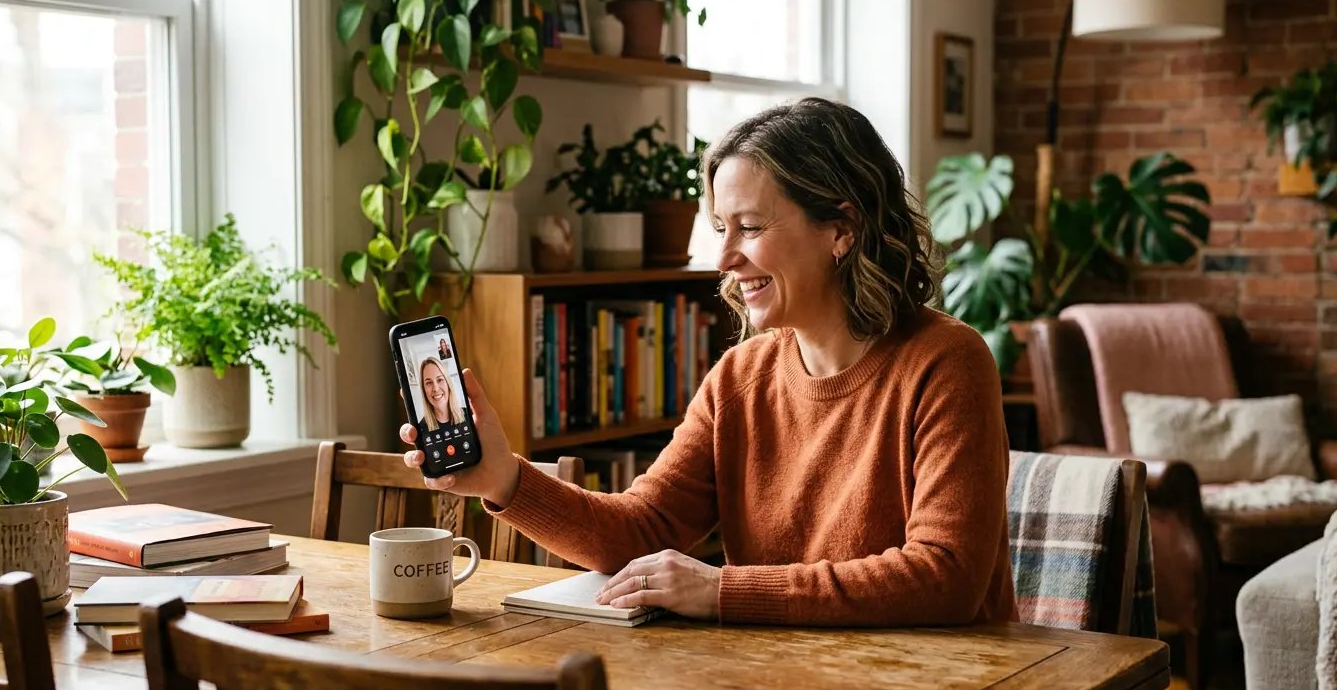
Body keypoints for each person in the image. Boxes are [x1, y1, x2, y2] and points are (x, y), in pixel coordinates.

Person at [400, 97, 1016, 627]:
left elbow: (946, 577)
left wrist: (720, 589)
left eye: (748, 226)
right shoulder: (740, 379)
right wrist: (503, 477)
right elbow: (640, 529)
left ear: (842, 228)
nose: (724, 257)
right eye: (719, 226)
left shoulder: (946, 363)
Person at [418, 357, 466, 433]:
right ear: (424, 390)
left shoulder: (468, 415)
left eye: (440, 380)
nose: (436, 389)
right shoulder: (420, 429)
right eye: (429, 383)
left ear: (448, 383)